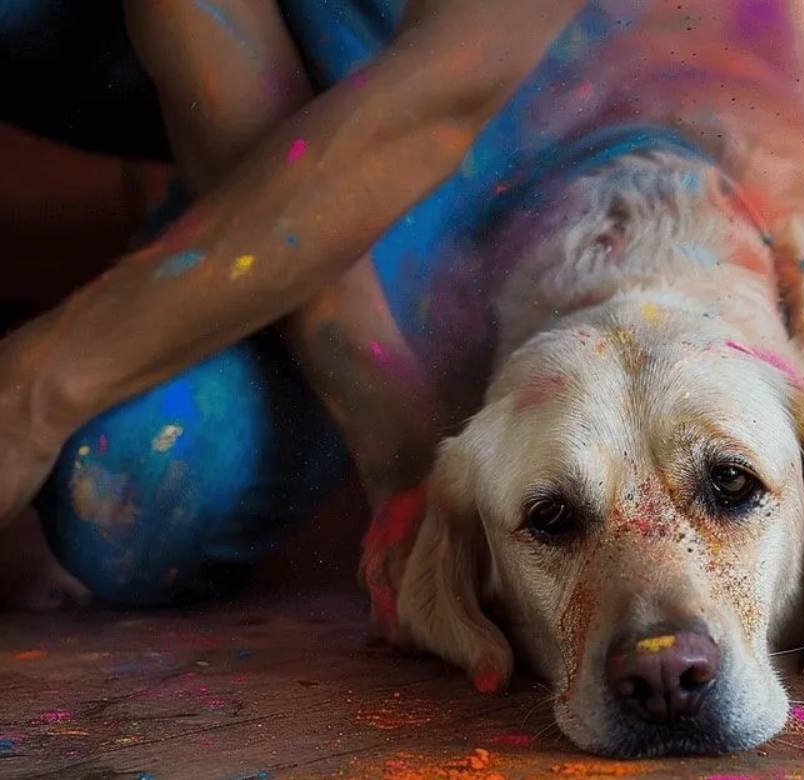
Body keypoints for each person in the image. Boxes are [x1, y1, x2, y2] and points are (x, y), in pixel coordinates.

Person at [0, 0, 591, 615]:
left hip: (501, 165)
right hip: (285, 138)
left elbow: (440, 102)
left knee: (127, 486)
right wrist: (34, 393)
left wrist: (34, 394)